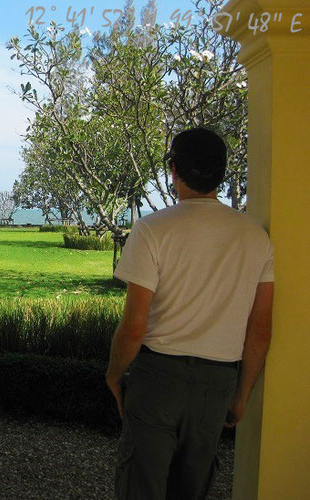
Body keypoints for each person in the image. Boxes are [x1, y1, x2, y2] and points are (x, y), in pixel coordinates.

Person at [106, 128, 274, 500]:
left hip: (157, 380)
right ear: (221, 173)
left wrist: (115, 374)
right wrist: (242, 394)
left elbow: (134, 327)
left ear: (173, 170)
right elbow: (260, 329)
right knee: (192, 489)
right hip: (217, 384)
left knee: (141, 486)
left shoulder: (152, 229)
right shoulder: (255, 238)